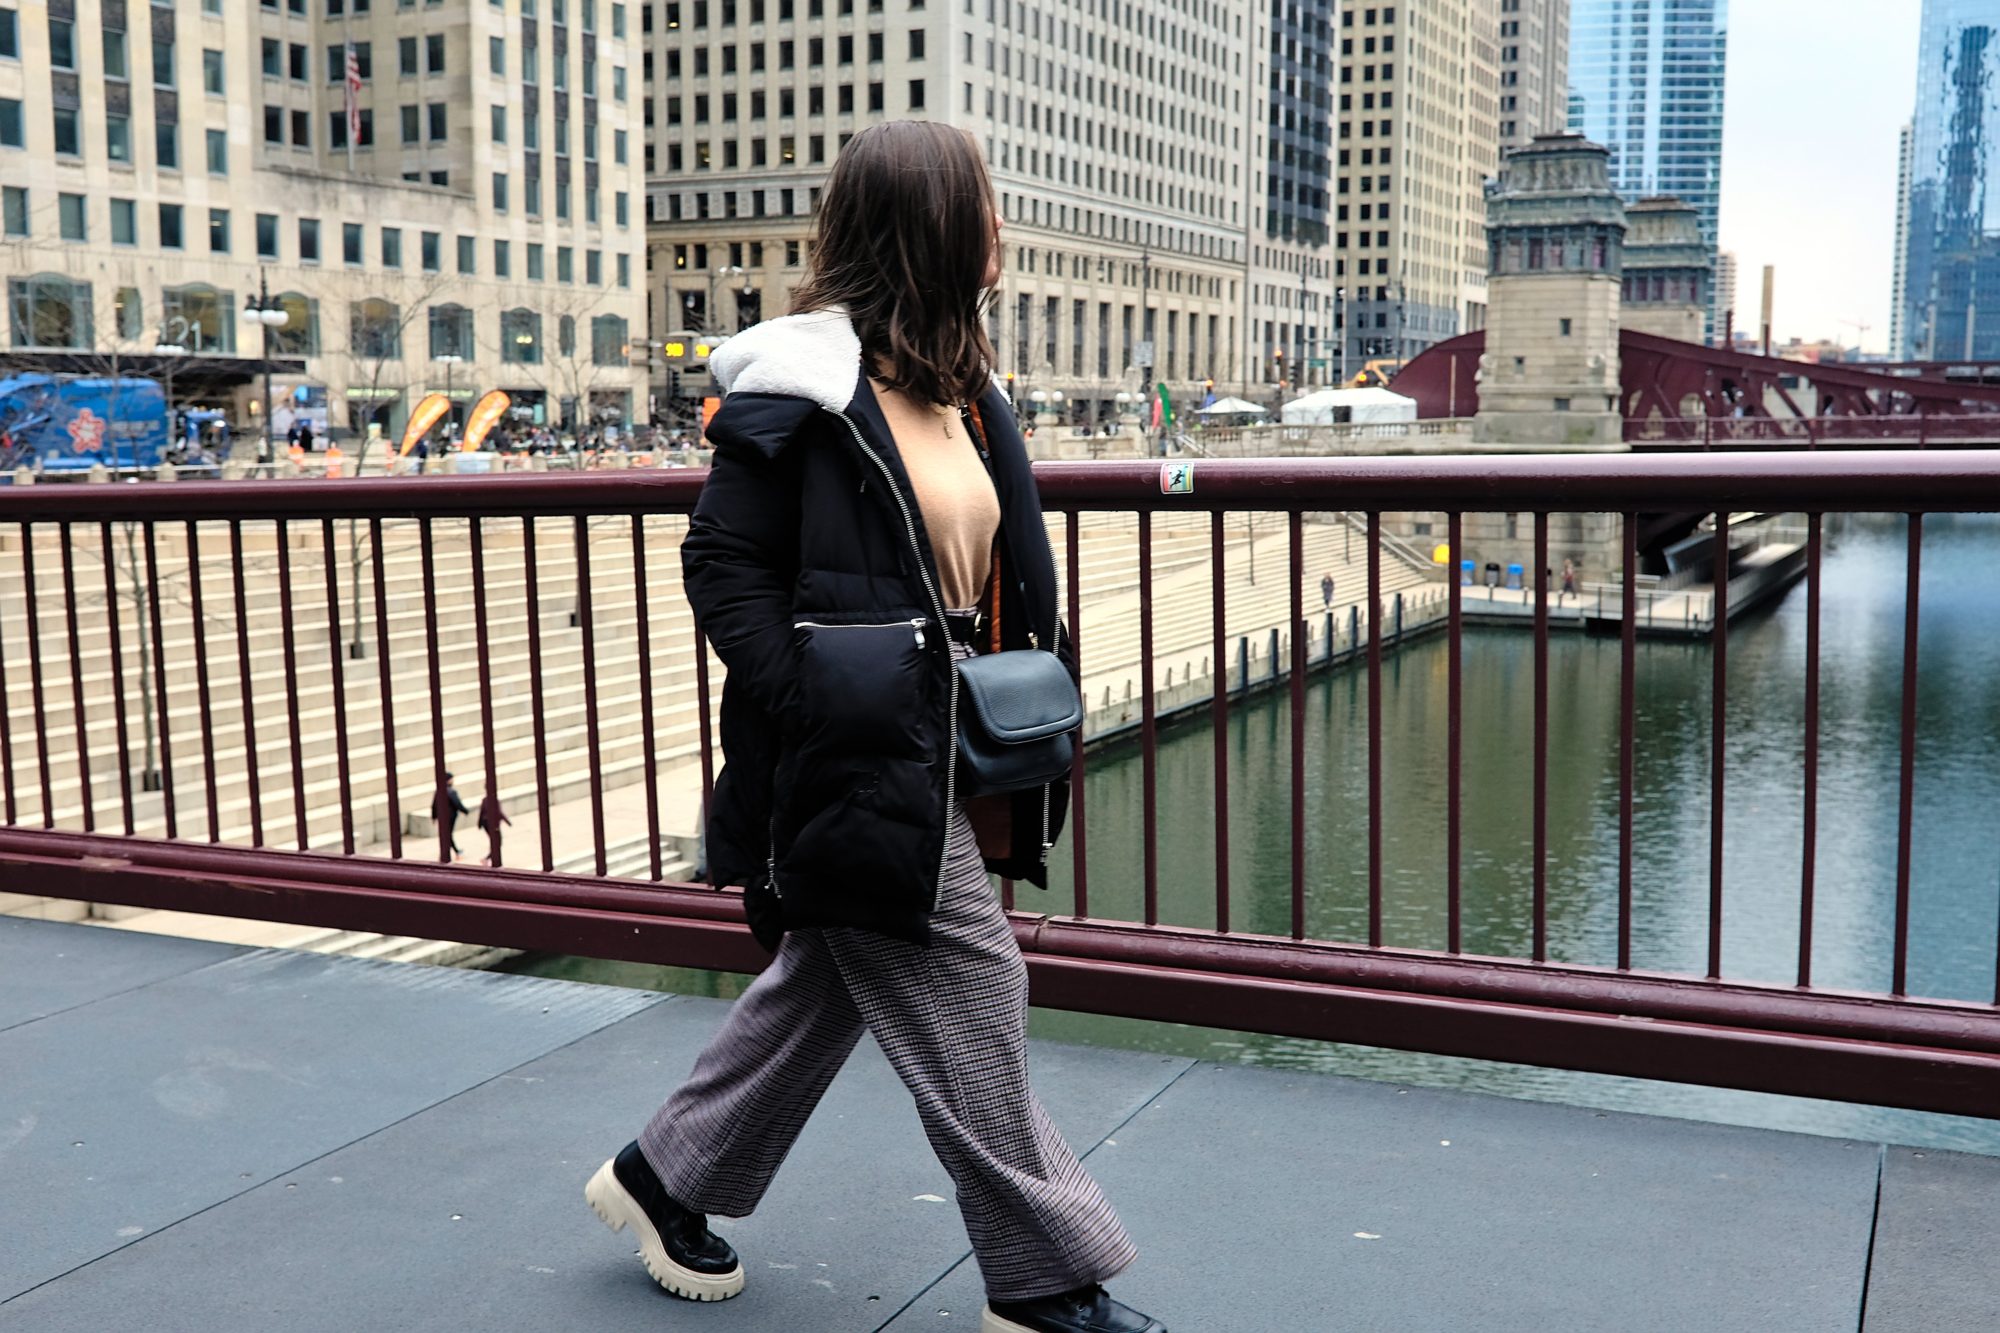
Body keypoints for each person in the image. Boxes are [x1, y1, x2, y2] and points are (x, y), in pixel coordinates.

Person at [581, 121, 1162, 1333]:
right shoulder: (804, 383)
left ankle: (662, 1175)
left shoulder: (962, 388)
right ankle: (1044, 1277)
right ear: (935, 224)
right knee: (974, 976)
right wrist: (811, 695)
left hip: (942, 732)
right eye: (986, 209)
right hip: (852, 742)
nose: (1002, 230)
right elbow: (722, 565)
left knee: (833, 977)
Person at [432, 772, 469, 861]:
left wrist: (434, 816)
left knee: (446, 834)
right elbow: (457, 803)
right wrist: (465, 811)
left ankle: (449, 852)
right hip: (450, 817)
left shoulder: (439, 791)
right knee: (448, 835)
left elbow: (434, 805)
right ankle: (451, 852)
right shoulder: (451, 791)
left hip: (442, 817)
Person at [477, 791, 511, 868]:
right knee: (498, 843)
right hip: (493, 824)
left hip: (486, 823)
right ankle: (488, 859)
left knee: (495, 842)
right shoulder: (495, 800)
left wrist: (479, 824)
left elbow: (481, 812)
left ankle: (489, 858)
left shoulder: (484, 800)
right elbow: (499, 812)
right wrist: (508, 822)